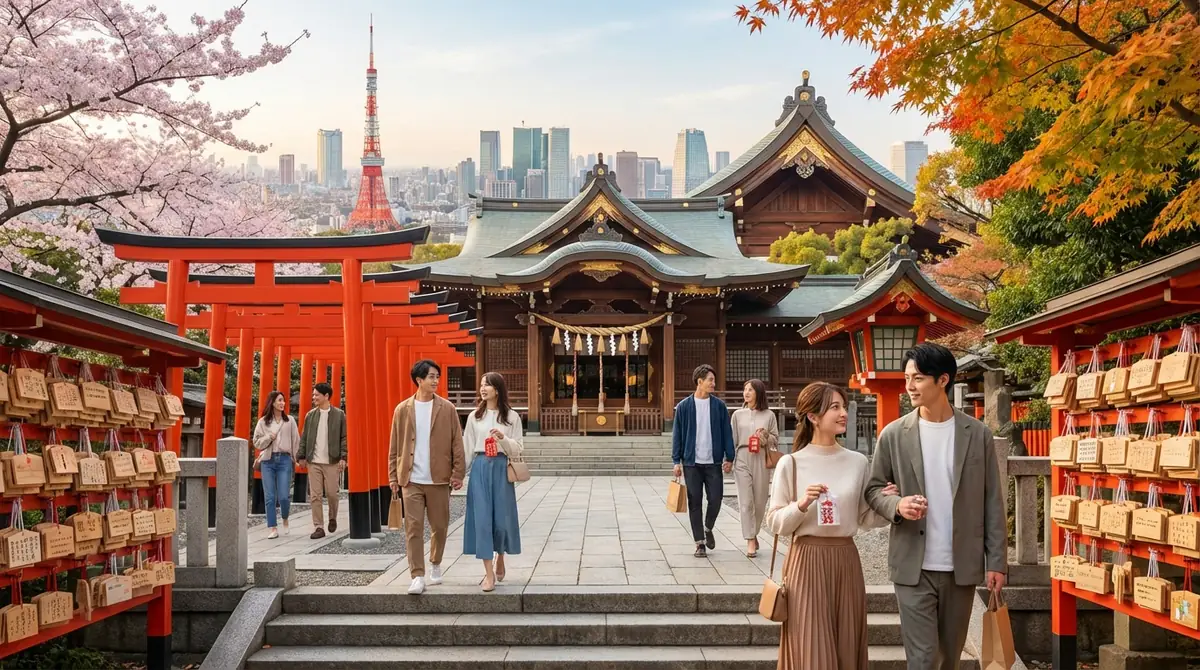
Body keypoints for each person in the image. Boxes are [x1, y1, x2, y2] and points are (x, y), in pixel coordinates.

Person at [865, 342, 1007, 670]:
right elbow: (873, 490)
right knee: (923, 658)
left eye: (917, 378)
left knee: (949, 658)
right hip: (912, 566)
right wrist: (897, 504)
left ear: (942, 380)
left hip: (961, 566)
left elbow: (992, 500)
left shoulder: (977, 434)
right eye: (906, 378)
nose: (909, 386)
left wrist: (997, 562)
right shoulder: (894, 435)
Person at [765, 382, 897, 670]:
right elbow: (775, 521)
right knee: (811, 645)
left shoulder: (858, 462)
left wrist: (890, 506)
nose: (843, 413)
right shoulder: (791, 463)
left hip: (846, 560)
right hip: (806, 560)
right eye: (834, 407)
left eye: (843, 406)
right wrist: (801, 504)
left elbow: (863, 518)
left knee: (847, 643)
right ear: (812, 417)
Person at [388, 359, 466, 595]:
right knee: (413, 528)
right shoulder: (402, 409)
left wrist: (458, 472)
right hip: (411, 479)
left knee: (440, 526)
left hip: (439, 478)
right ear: (419, 380)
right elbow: (394, 445)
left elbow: (457, 442)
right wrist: (393, 475)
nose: (436, 381)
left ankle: (435, 561)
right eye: (431, 376)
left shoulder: (447, 408)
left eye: (437, 376)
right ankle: (417, 575)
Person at [462, 372, 523, 592]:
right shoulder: (474, 417)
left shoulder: (512, 417)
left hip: (501, 468)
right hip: (480, 467)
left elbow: (518, 448)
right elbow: (467, 447)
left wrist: (503, 438)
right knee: (483, 519)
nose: (483, 388)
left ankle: (501, 555)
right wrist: (459, 475)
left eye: (487, 385)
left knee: (501, 520)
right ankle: (488, 574)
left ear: (497, 389)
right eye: (481, 385)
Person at [671, 363, 734, 558]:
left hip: (713, 462)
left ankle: (708, 528)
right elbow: (677, 435)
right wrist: (676, 461)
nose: (713, 384)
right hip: (691, 463)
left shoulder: (719, 406)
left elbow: (726, 433)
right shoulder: (683, 407)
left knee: (716, 499)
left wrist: (729, 457)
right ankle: (699, 543)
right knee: (695, 502)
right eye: (711, 380)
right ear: (700, 381)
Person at [731, 378, 779, 557]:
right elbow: (733, 439)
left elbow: (776, 439)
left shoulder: (769, 415)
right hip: (742, 457)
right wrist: (728, 459)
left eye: (750, 389)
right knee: (745, 502)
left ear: (758, 392)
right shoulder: (737, 415)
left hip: (761, 458)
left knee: (759, 502)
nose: (746, 393)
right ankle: (750, 539)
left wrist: (765, 435)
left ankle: (754, 532)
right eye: (745, 389)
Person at [298, 382, 347, 540]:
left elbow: (344, 437)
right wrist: (302, 456)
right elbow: (304, 437)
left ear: (326, 396)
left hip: (332, 460)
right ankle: (318, 526)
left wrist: (343, 457)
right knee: (315, 495)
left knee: (333, 493)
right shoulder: (310, 415)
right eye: (313, 395)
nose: (314, 397)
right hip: (314, 461)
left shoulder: (339, 415)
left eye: (316, 395)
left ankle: (332, 517)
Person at [253, 390, 299, 540]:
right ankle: (273, 527)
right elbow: (256, 442)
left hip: (284, 460)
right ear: (272, 403)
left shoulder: (290, 421)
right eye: (279, 400)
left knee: (284, 496)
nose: (282, 403)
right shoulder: (263, 422)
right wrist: (268, 437)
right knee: (270, 496)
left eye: (283, 400)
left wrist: (297, 458)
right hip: (268, 460)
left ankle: (285, 517)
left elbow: (295, 440)